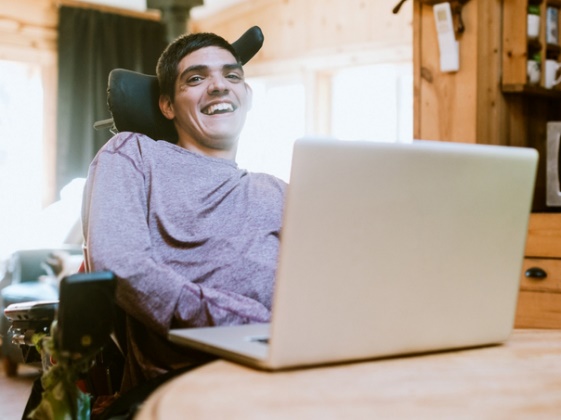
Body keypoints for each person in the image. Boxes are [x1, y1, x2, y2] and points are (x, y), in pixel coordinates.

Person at [80, 29, 286, 412]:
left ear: (248, 97)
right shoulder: (134, 154)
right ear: (167, 105)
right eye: (195, 79)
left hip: (288, 371)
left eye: (232, 75)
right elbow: (121, 265)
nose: (219, 86)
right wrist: (254, 325)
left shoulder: (277, 191)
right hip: (188, 387)